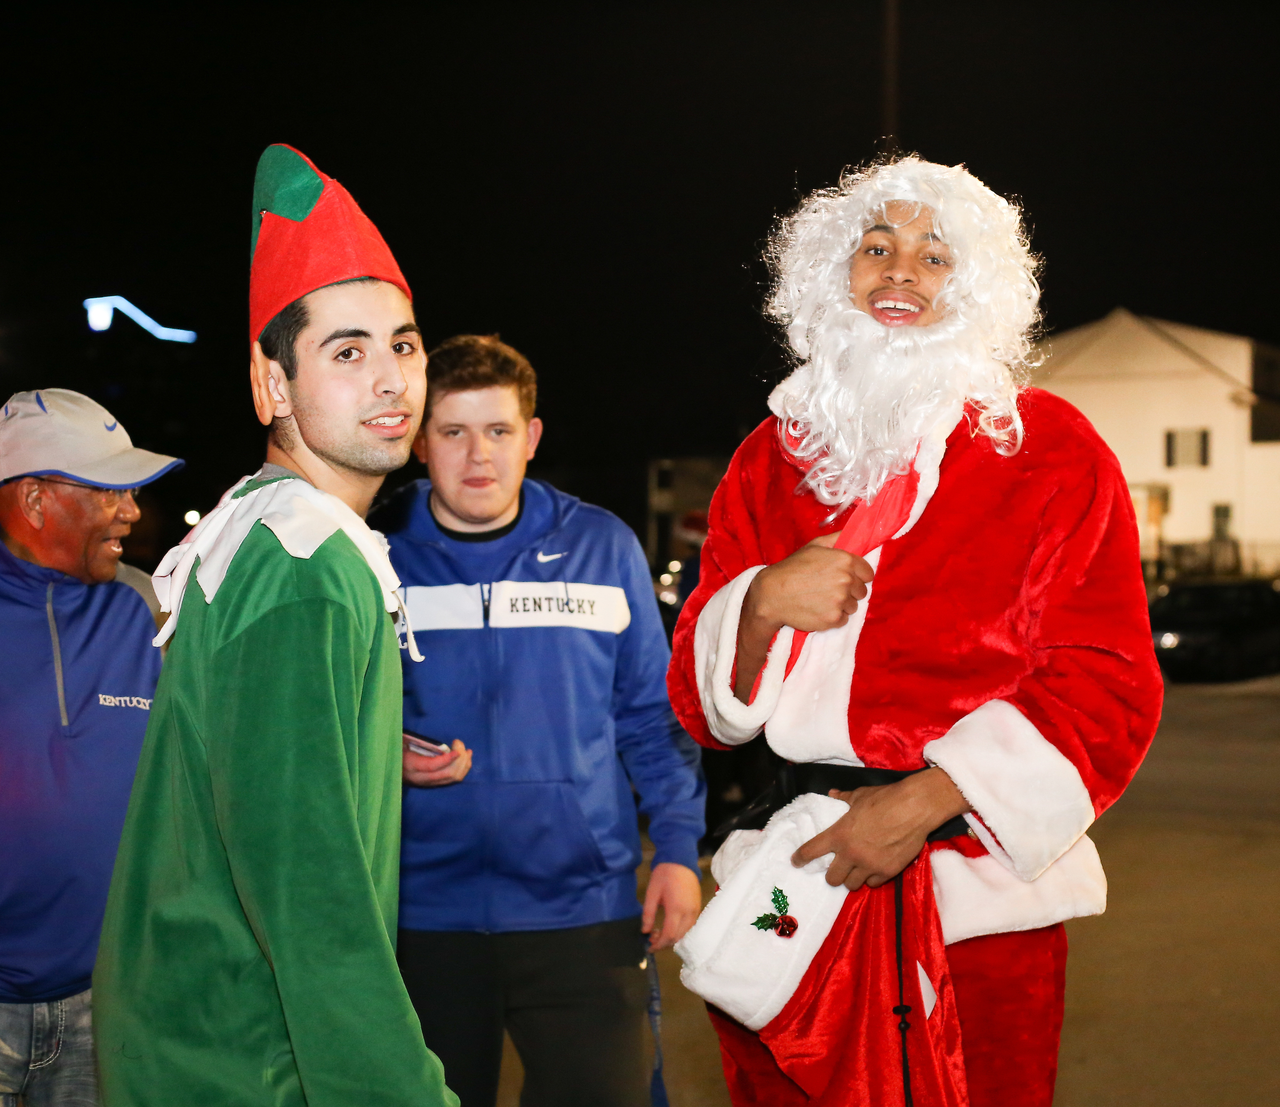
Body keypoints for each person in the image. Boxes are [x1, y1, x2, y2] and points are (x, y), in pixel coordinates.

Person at [668, 157, 1163, 1106]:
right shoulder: (770, 462)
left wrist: (926, 799)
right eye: (876, 248)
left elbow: (1108, 684)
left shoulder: (1052, 450)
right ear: (831, 274)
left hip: (977, 901)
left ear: (975, 288)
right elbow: (701, 704)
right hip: (794, 893)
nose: (900, 272)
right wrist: (763, 600)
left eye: (935, 257)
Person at [92, 144, 456, 1107]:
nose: (390, 379)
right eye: (347, 351)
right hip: (249, 1066)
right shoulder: (305, 569)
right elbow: (313, 902)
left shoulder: (261, 529)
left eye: (405, 344)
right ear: (272, 386)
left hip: (195, 1045)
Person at [372, 334, 706, 1107]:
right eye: (453, 432)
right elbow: (326, 721)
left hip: (581, 913)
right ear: (421, 442)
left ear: (532, 437)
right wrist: (381, 751)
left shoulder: (600, 545)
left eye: (497, 431)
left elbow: (652, 719)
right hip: (420, 918)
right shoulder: (375, 556)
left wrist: (679, 849)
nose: (476, 455)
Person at [0, 389, 179, 1107]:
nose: (132, 510)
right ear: (37, 499)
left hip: (111, 1001)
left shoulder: (152, 608)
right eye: (110, 490)